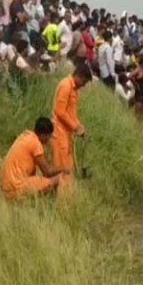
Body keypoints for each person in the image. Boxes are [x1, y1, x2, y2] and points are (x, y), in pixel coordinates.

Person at [0, 117, 70, 198]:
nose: (49, 139)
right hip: (16, 186)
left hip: (6, 186)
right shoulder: (35, 143)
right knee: (56, 180)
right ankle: (49, 207)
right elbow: (47, 172)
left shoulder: (26, 135)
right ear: (43, 135)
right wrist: (64, 169)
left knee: (41, 181)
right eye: (49, 136)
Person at [50, 63, 91, 191]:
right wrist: (75, 128)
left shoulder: (73, 89)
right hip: (59, 132)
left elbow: (70, 113)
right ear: (78, 76)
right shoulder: (65, 86)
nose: (83, 85)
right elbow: (59, 112)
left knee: (69, 166)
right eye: (83, 81)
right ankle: (62, 197)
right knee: (62, 167)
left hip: (66, 133)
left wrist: (80, 127)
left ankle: (68, 196)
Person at [130, 54, 143, 122]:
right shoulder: (138, 69)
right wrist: (136, 85)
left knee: (142, 113)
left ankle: (141, 128)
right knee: (138, 113)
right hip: (139, 94)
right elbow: (130, 76)